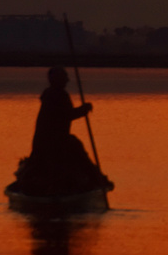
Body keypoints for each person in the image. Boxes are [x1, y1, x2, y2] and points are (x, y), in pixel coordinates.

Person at [11, 66, 110, 196]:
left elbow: (65, 115)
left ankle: (96, 178)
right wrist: (84, 110)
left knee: (75, 144)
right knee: (76, 147)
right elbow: (66, 115)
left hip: (51, 140)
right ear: (56, 79)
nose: (67, 80)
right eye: (64, 77)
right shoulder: (57, 96)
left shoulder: (51, 95)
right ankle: (97, 179)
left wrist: (82, 110)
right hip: (53, 142)